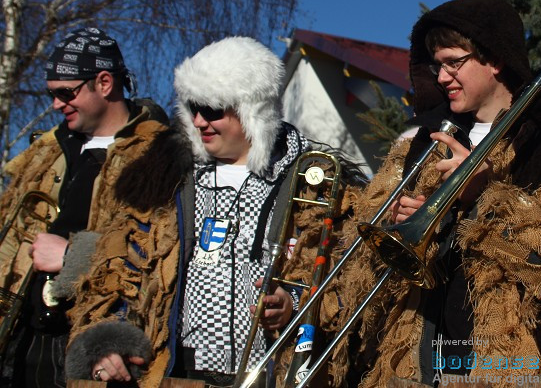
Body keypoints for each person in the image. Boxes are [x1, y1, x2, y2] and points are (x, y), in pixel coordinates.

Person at [332, 0, 541, 387]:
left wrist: (485, 196)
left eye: (455, 62)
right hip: (420, 368)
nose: (442, 77)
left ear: (495, 59)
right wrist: (400, 221)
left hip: (517, 369)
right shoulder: (420, 144)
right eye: (437, 65)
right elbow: (361, 267)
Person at [64, 36, 360, 387]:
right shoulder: (163, 178)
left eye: (213, 109)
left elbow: (347, 274)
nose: (200, 121)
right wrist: (108, 342)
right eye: (193, 108)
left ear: (253, 109)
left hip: (272, 374)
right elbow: (118, 267)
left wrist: (293, 303)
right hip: (176, 375)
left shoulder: (315, 181)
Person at [0, 27, 168, 388]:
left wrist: (73, 257)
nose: (57, 105)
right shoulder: (46, 150)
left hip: (92, 348)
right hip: (21, 342)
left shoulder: (158, 154)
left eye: (66, 93)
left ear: (104, 83)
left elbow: (159, 251)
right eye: (53, 94)